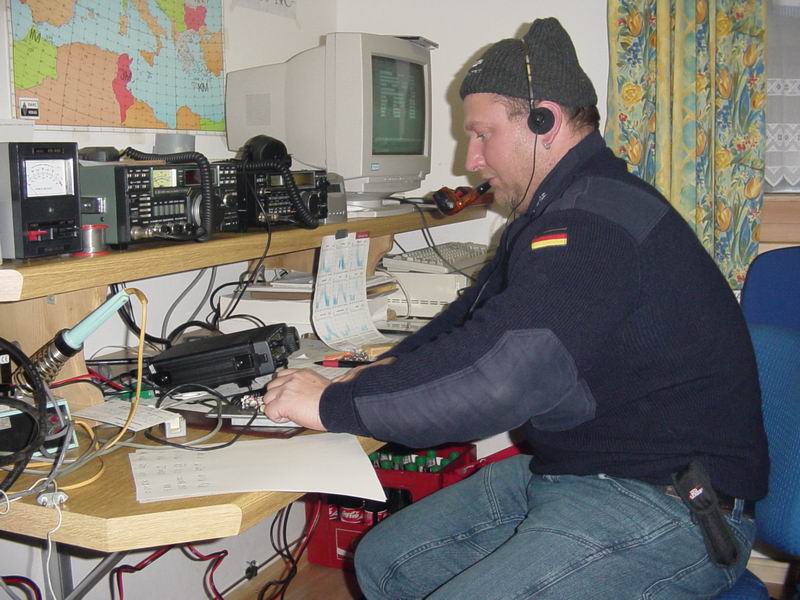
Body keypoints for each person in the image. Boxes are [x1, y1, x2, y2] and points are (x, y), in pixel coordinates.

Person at [262, 17, 769, 599]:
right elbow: (474, 320)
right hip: (580, 470)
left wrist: (333, 404)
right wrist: (386, 370)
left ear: (544, 122)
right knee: (387, 562)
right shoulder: (555, 215)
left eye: (483, 134)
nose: (472, 158)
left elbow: (502, 376)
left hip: (673, 503)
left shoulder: (592, 224)